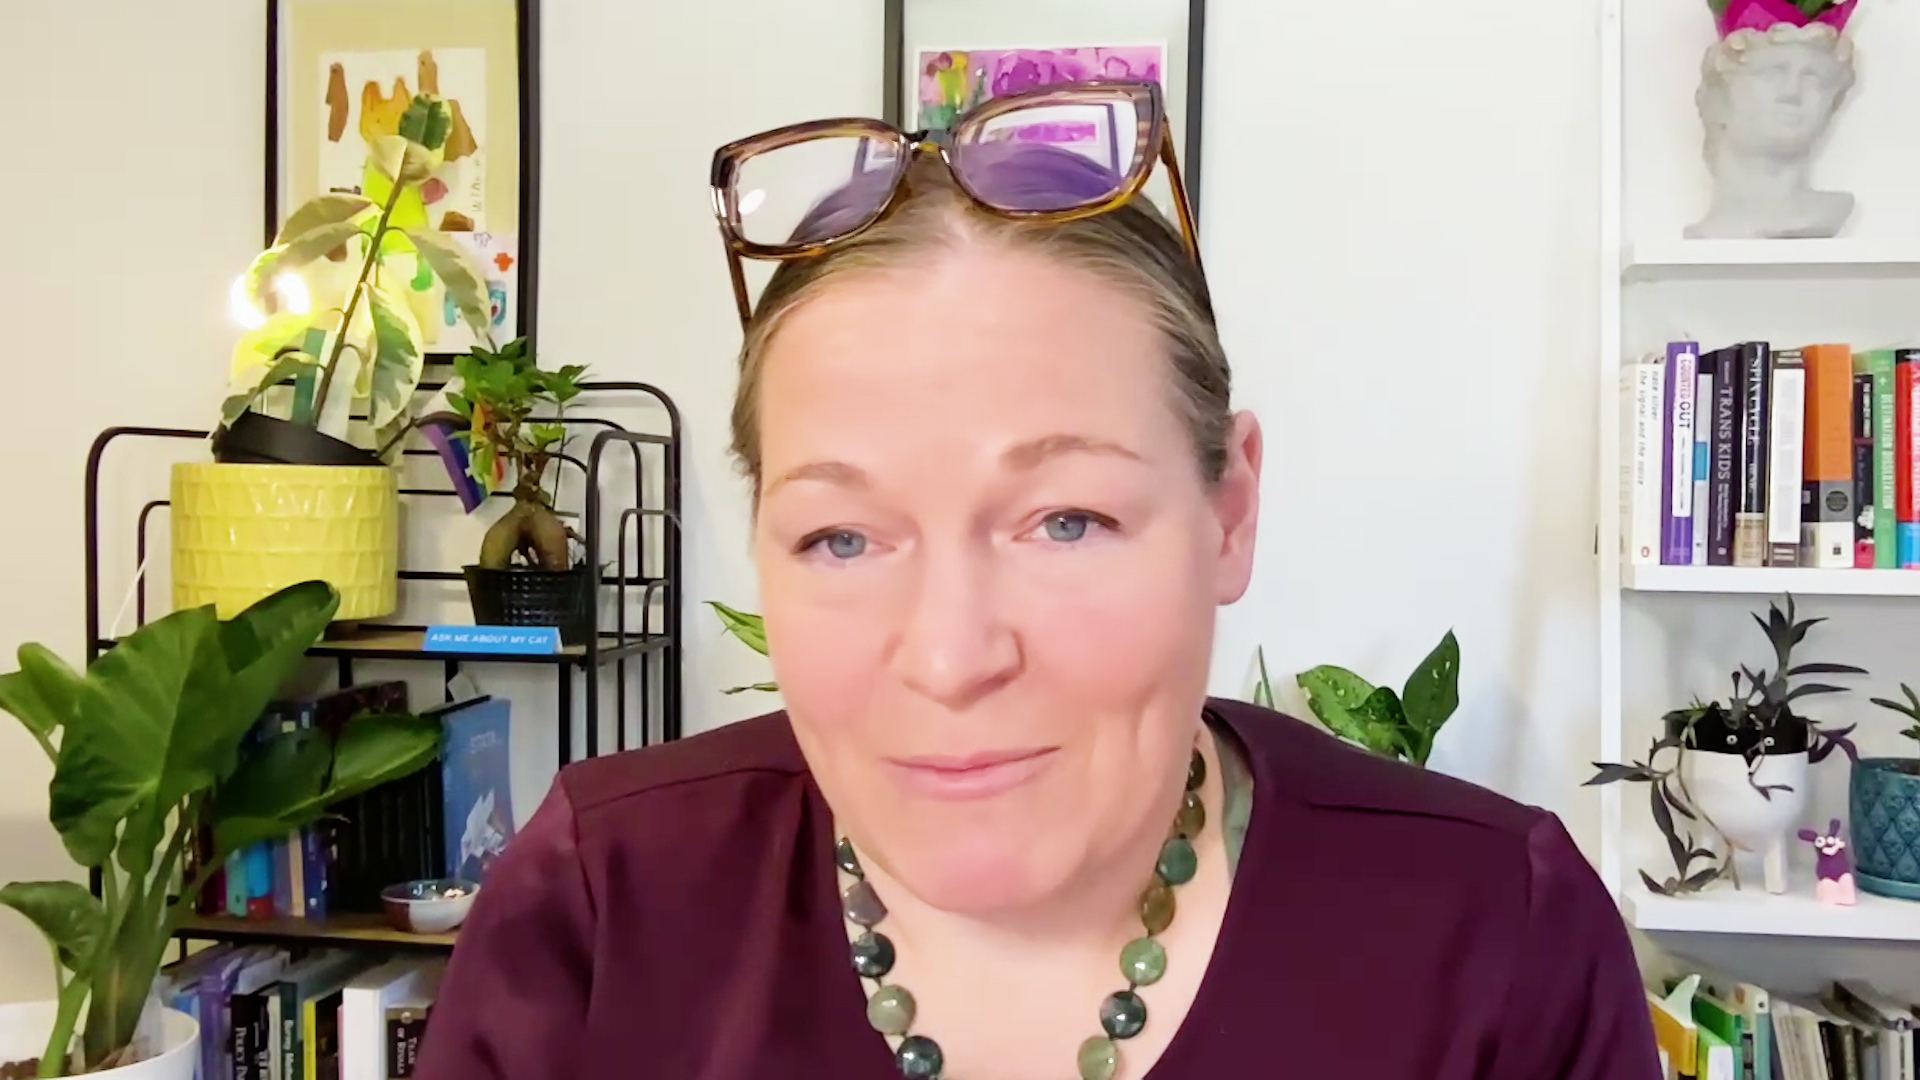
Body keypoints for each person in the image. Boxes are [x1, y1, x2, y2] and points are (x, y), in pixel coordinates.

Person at [414, 80, 1660, 1080]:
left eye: (1066, 520)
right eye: (842, 538)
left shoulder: (1497, 938)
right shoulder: (602, 906)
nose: (952, 659)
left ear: (1228, 513)